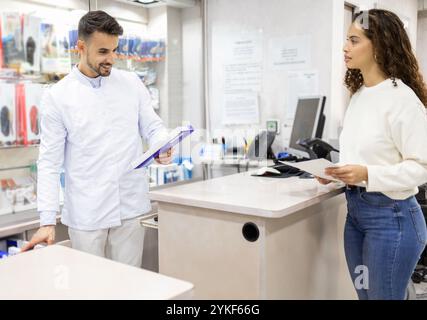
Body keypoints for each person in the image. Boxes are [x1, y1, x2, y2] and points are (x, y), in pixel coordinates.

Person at [22, 11, 172, 268]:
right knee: (91, 288)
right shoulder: (58, 97)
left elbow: (153, 127)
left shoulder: (131, 83)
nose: (111, 59)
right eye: (103, 51)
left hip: (130, 205)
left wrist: (162, 145)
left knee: (129, 284)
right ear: (80, 47)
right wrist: (47, 220)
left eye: (114, 50)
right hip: (87, 214)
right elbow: (48, 162)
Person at [317, 9, 427, 300]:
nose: (345, 47)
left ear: (379, 44)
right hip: (357, 217)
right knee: (366, 296)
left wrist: (367, 174)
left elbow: (422, 167)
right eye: (346, 40)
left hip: (392, 221)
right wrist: (336, 174)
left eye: (354, 40)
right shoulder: (360, 95)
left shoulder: (402, 99)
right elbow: (365, 154)